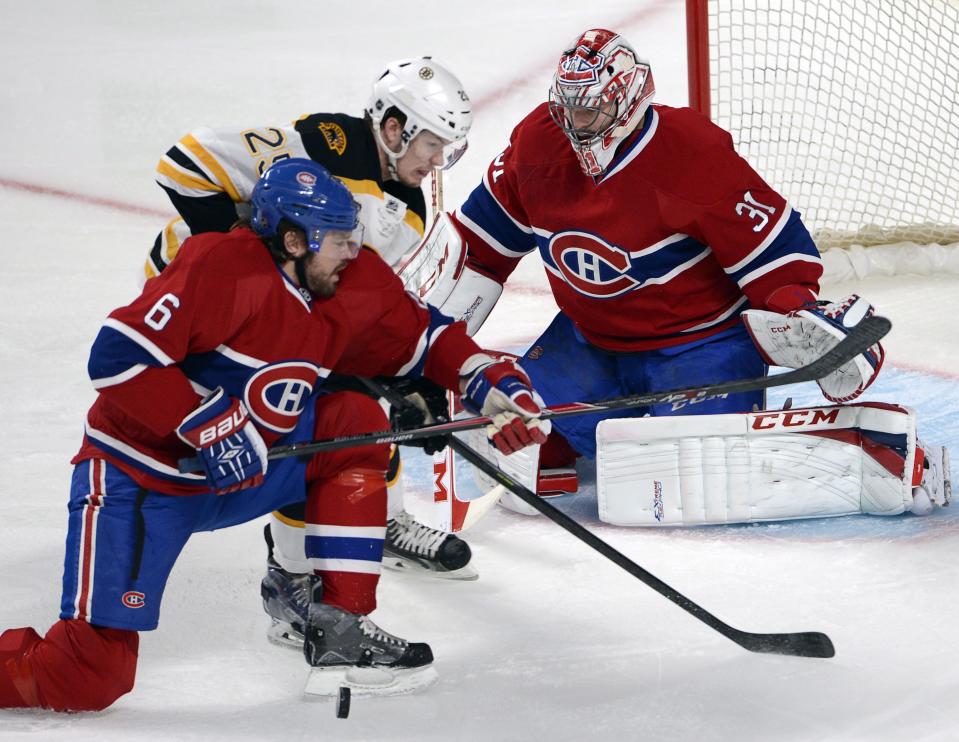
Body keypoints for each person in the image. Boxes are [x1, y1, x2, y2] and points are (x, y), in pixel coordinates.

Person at [0, 158, 547, 711]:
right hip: (144, 479)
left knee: (357, 422)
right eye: (338, 240)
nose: (353, 252)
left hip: (252, 465)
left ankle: (339, 628)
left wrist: (490, 381)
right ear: (293, 240)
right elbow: (117, 358)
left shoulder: (346, 281)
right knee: (89, 676)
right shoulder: (221, 268)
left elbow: (425, 337)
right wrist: (209, 423)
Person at [431, 28, 949, 520]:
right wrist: (434, 347)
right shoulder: (537, 144)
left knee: (675, 476)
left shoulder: (690, 153)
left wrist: (795, 307)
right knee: (512, 422)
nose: (575, 121)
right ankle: (571, 436)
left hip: (700, 345)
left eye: (591, 108)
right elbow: (481, 249)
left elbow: (772, 249)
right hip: (590, 342)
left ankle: (877, 454)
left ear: (629, 100)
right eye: (567, 106)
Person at [144, 57, 479, 649]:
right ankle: (288, 581)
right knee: (305, 421)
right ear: (394, 127)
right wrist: (245, 263)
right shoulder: (323, 146)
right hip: (204, 317)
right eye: (432, 144)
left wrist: (407, 379)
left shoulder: (409, 205)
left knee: (359, 407)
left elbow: (349, 303)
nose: (437, 164)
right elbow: (187, 160)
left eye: (448, 151)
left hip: (285, 315)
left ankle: (380, 518)